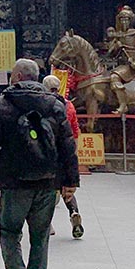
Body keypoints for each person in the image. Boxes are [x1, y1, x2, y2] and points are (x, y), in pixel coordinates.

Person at [0, 59, 79, 269]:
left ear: (18, 76)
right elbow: (67, 144)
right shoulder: (55, 104)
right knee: (40, 236)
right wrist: (71, 180)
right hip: (47, 180)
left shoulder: (3, 103)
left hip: (13, 180)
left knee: (9, 230)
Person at [43, 74, 84, 239]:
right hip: (66, 151)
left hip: (49, 153)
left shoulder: (44, 106)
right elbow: (75, 131)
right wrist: (73, 152)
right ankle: (74, 212)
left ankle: (48, 225)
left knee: (49, 190)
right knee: (68, 190)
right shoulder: (69, 106)